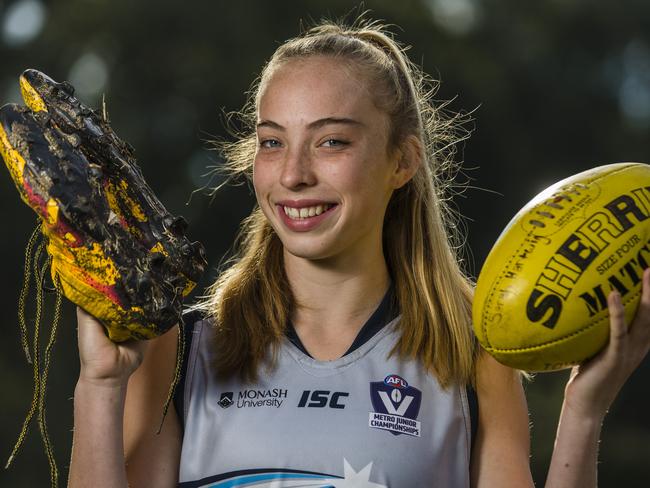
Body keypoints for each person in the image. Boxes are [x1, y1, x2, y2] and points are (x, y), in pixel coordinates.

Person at [67, 20, 650, 487]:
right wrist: (99, 386)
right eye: (273, 142)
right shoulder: (186, 345)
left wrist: (582, 411)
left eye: (332, 142)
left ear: (403, 162)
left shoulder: (472, 352)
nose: (293, 174)